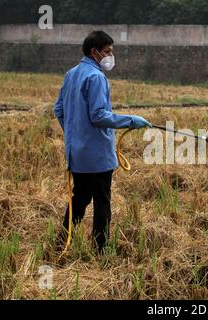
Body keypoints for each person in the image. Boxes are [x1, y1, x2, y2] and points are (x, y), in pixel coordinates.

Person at [54, 30, 152, 254]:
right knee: (102, 201)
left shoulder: (71, 74)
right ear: (94, 52)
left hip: (77, 153)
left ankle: (61, 240)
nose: (110, 56)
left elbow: (58, 109)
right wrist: (131, 120)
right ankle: (101, 249)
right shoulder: (96, 77)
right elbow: (99, 116)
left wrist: (73, 133)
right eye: (107, 52)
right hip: (97, 156)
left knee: (80, 197)